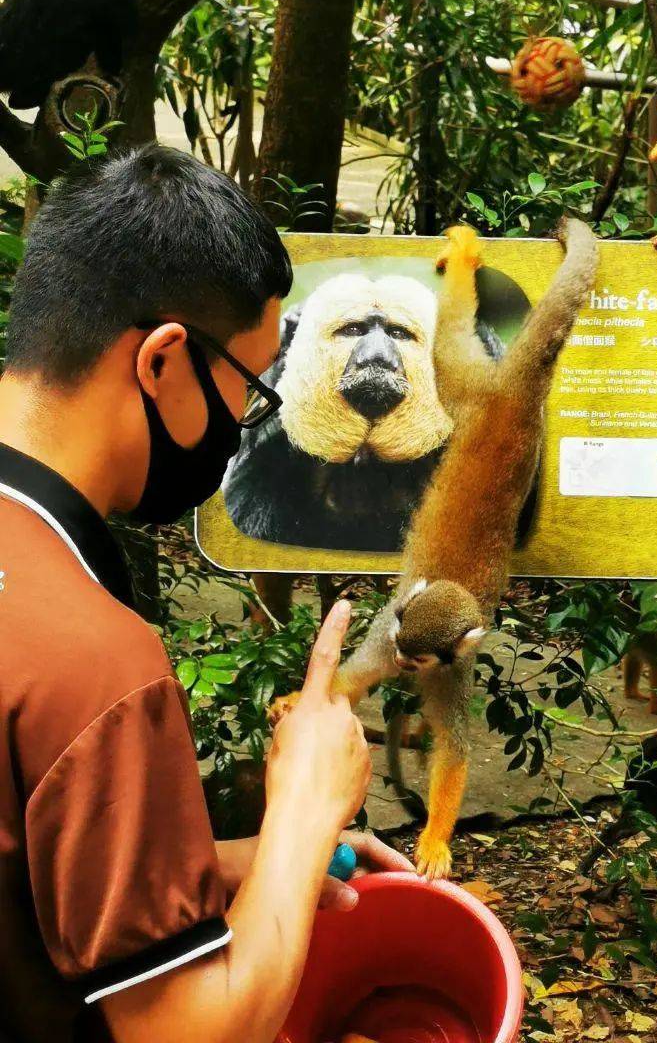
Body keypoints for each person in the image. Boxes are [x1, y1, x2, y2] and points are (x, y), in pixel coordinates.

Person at [0, 145, 408, 1043]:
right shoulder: (90, 661)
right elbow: (184, 1033)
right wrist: (304, 805)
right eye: (250, 392)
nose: (242, 427)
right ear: (160, 362)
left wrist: (230, 867)